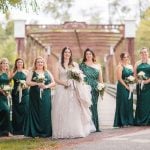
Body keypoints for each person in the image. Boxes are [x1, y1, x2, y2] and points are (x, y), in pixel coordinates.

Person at [52, 47, 95, 139]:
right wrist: (65, 83)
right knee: (62, 110)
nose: (67, 54)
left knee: (74, 110)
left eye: (69, 52)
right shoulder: (57, 64)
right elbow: (55, 78)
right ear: (63, 53)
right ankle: (62, 132)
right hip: (62, 89)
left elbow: (79, 77)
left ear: (71, 54)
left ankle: (76, 131)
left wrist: (75, 82)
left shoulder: (75, 64)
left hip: (73, 90)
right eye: (65, 52)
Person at [24, 56, 55, 137]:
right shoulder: (32, 71)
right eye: (38, 62)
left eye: (41, 62)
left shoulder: (47, 71)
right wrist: (37, 83)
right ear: (35, 63)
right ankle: (35, 131)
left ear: (44, 63)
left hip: (46, 94)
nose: (40, 63)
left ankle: (46, 131)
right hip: (34, 94)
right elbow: (27, 82)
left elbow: (54, 82)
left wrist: (46, 86)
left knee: (46, 111)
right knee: (35, 111)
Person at [79, 48, 103, 132]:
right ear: (85, 56)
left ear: (93, 55)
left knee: (94, 106)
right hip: (85, 88)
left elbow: (101, 80)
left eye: (90, 54)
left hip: (95, 88)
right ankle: (87, 126)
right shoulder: (81, 65)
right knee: (86, 106)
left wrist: (101, 88)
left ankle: (95, 125)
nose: (88, 55)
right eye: (87, 54)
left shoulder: (98, 66)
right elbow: (79, 78)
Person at [113, 52, 134, 127]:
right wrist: (126, 86)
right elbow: (119, 79)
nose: (126, 58)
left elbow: (133, 76)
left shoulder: (130, 66)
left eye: (127, 57)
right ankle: (122, 121)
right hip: (122, 87)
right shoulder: (120, 66)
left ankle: (129, 121)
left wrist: (131, 84)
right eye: (124, 57)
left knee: (129, 103)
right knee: (123, 103)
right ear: (121, 58)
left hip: (130, 86)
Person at [11, 58, 29, 135]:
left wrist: (25, 85)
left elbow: (29, 82)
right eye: (18, 62)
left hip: (25, 93)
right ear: (16, 64)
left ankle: (24, 129)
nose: (20, 63)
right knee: (16, 110)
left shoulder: (26, 72)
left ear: (23, 63)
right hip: (15, 93)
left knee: (24, 110)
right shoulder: (13, 72)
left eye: (21, 62)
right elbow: (7, 81)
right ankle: (16, 130)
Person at [134, 47, 150, 125]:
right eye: (142, 52)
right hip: (140, 86)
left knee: (148, 102)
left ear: (148, 53)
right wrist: (138, 81)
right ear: (140, 54)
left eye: (145, 52)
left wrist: (147, 81)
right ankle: (140, 120)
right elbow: (135, 75)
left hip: (149, 85)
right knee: (141, 102)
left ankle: (148, 121)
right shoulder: (137, 63)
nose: (144, 54)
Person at [0, 58, 11, 136]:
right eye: (3, 63)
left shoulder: (8, 73)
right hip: (0, 95)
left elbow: (9, 84)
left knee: (6, 111)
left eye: (6, 63)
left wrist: (8, 91)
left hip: (6, 95)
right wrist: (1, 90)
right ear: (0, 65)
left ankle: (6, 131)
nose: (5, 65)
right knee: (5, 110)